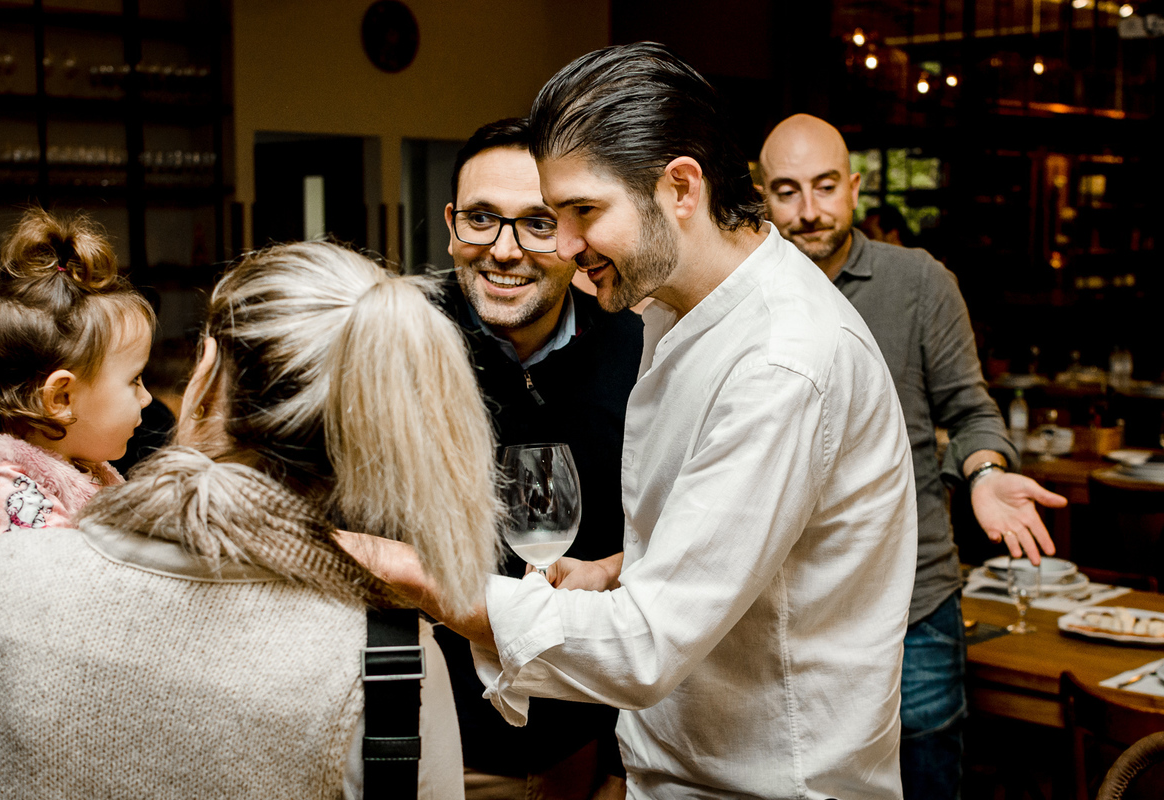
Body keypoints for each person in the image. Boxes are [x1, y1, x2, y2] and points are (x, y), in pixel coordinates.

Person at [342, 42, 919, 799]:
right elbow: (751, 547)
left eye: (582, 212)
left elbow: (649, 645)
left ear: (680, 187)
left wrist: (428, 581)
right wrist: (621, 571)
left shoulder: (782, 362)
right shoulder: (677, 308)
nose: (567, 248)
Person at [0, 241, 501, 798]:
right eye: (135, 379)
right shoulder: (391, 664)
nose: (148, 396)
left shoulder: (0, 571)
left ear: (207, 375)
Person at [759, 113, 1068, 798]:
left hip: (912, 605)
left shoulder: (919, 281)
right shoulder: (746, 296)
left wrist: (985, 472)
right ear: (760, 196)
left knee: (925, 780)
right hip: (787, 613)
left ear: (856, 187)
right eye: (787, 191)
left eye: (825, 186)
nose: (810, 211)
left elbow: (971, 410)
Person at [439, 117, 642, 799]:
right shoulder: (400, 342)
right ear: (451, 224)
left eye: (537, 223)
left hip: (590, 742)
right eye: (482, 219)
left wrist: (615, 569)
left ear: (574, 237)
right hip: (436, 741)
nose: (503, 250)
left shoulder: (637, 349)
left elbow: (680, 535)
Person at [0, 207, 154, 571]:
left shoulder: (86, 469)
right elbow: (70, 596)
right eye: (134, 380)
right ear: (61, 398)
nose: (147, 398)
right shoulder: (0, 491)